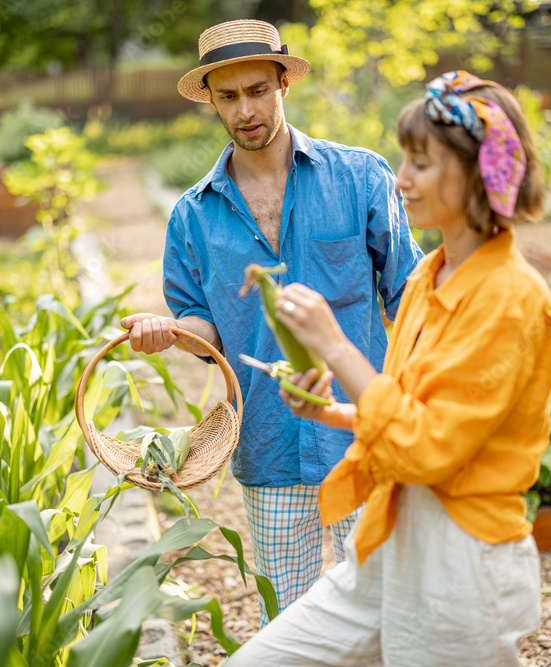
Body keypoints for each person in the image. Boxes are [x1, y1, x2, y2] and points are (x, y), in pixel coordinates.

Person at [223, 70, 551, 666]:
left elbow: (428, 448)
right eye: (405, 159)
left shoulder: (511, 297)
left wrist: (335, 345)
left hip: (463, 561)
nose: (400, 179)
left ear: (479, 172)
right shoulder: (432, 275)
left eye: (422, 164)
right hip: (389, 537)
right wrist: (332, 411)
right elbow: (410, 412)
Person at [119, 19, 423, 623]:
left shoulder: (360, 177)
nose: (246, 110)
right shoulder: (193, 216)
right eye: (228, 96)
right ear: (210, 99)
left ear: (284, 82)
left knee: (388, 612)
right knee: (288, 622)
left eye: (258, 90)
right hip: (270, 442)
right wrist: (169, 333)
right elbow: (204, 328)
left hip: (364, 435)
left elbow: (410, 297)